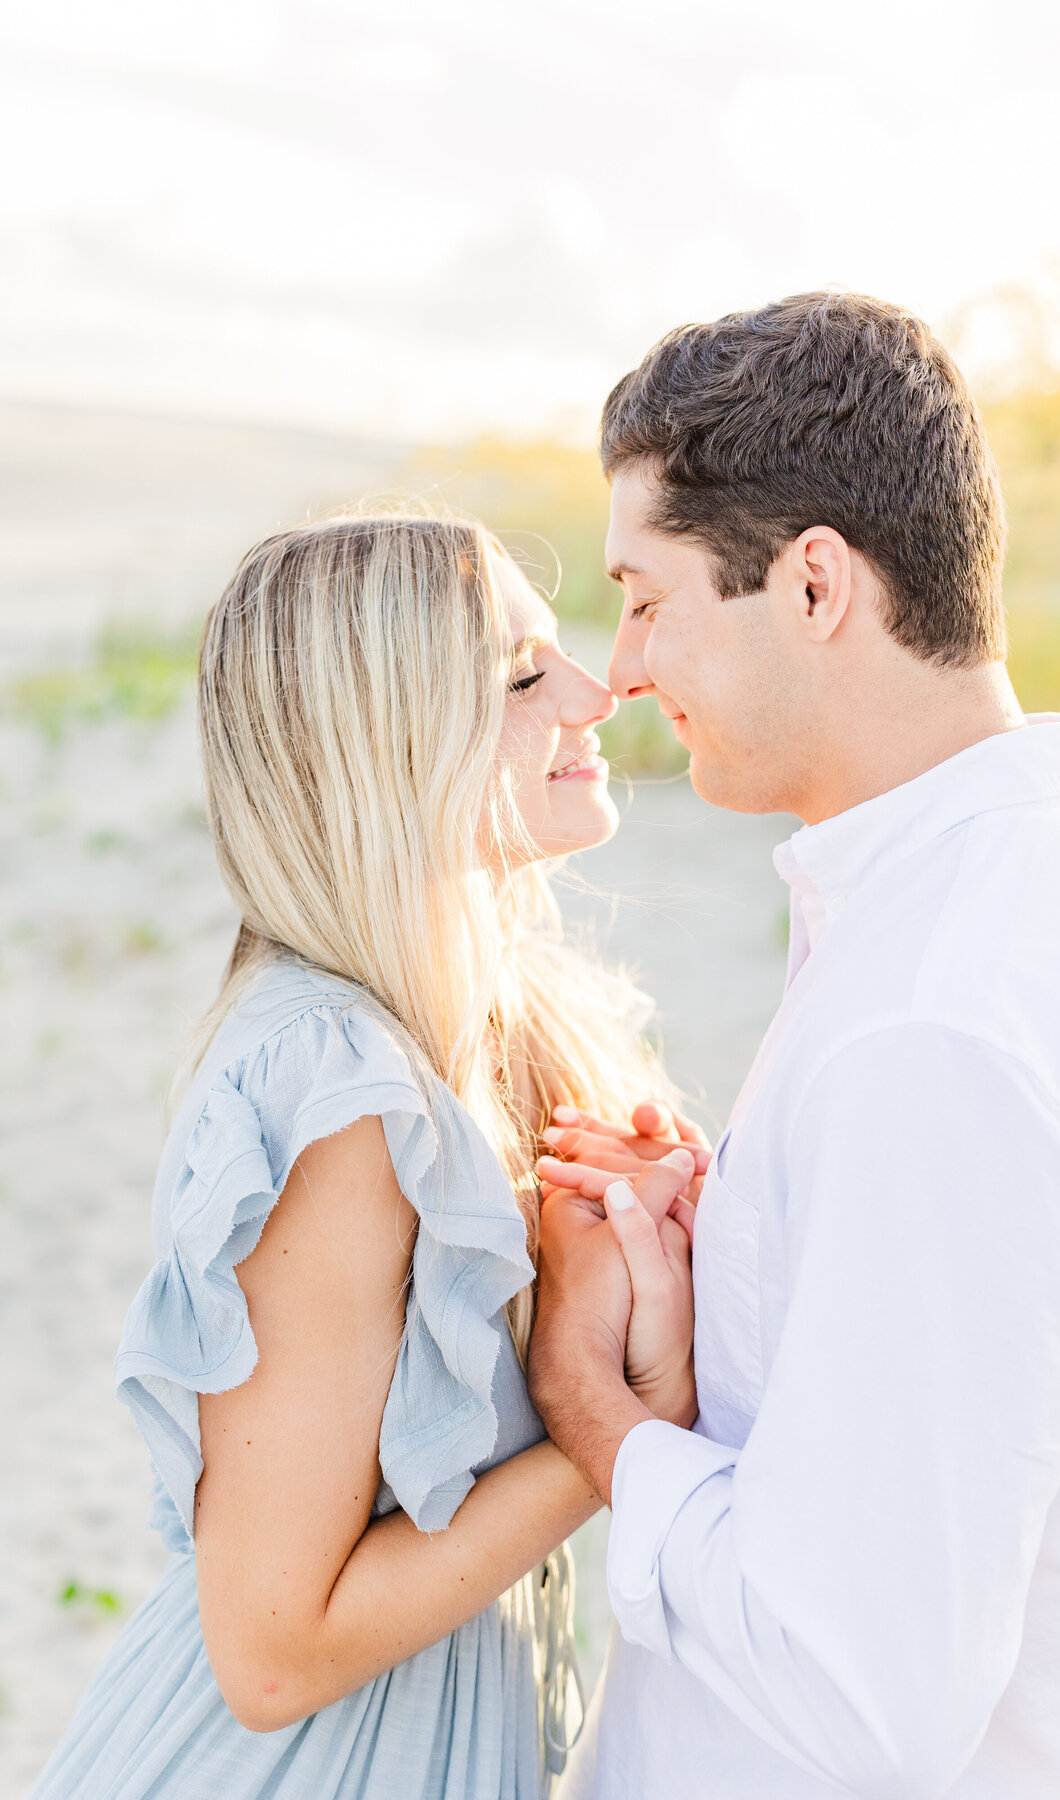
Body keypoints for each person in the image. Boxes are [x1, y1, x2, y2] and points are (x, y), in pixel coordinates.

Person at [531, 293, 1060, 1799]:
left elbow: (855, 1694)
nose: (623, 665)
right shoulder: (997, 898)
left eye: (650, 597)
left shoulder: (949, 1017)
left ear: (816, 586)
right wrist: (750, 1255)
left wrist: (601, 1423)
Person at [31, 513, 700, 1800]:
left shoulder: (506, 1021)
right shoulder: (339, 1095)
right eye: (519, 678)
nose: (593, 690)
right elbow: (272, 1655)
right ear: (387, 749)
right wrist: (613, 1435)